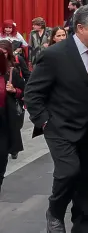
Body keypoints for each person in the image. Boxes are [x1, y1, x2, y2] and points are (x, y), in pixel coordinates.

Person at [24, 4, 88, 233]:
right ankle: (55, 212)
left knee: (87, 176)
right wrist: (45, 122)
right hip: (59, 127)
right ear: (79, 28)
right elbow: (32, 93)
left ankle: (82, 225)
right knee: (69, 171)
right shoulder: (55, 55)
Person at [0, 40, 27, 191]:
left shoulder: (12, 72)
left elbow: (24, 93)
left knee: (2, 155)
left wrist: (13, 91)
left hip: (5, 121)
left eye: (4, 53)